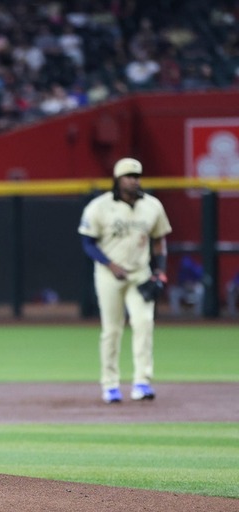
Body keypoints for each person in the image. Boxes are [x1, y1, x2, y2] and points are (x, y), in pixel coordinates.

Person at [79, 158, 172, 404]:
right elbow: (87, 242)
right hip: (109, 276)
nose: (134, 180)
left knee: (144, 324)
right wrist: (110, 264)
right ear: (118, 180)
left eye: (137, 175)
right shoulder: (99, 206)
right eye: (129, 176)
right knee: (112, 330)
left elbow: (160, 240)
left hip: (140, 274)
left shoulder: (152, 206)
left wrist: (160, 270)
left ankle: (142, 382)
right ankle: (110, 385)